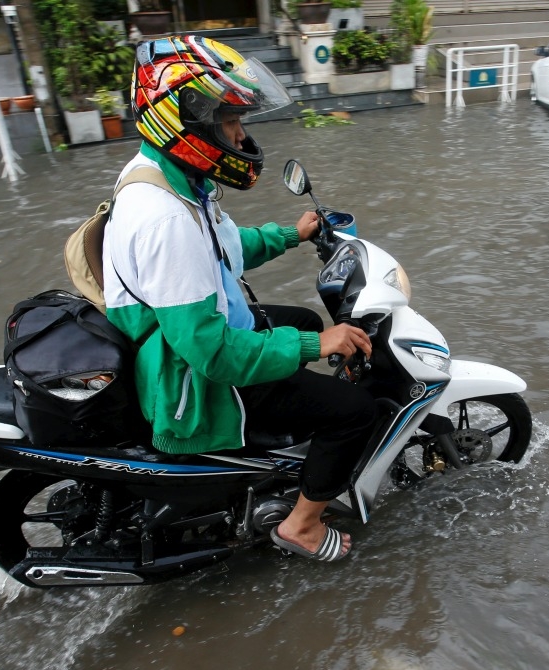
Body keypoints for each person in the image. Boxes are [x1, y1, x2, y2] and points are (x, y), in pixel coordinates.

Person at [102, 35, 375, 562]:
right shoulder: (164, 218)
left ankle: (288, 444)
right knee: (355, 411)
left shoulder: (171, 180)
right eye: (231, 122)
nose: (242, 136)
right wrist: (312, 345)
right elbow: (211, 352)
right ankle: (301, 525)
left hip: (188, 338)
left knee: (297, 317)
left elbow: (225, 248)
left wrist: (291, 234)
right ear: (191, 121)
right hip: (195, 380)